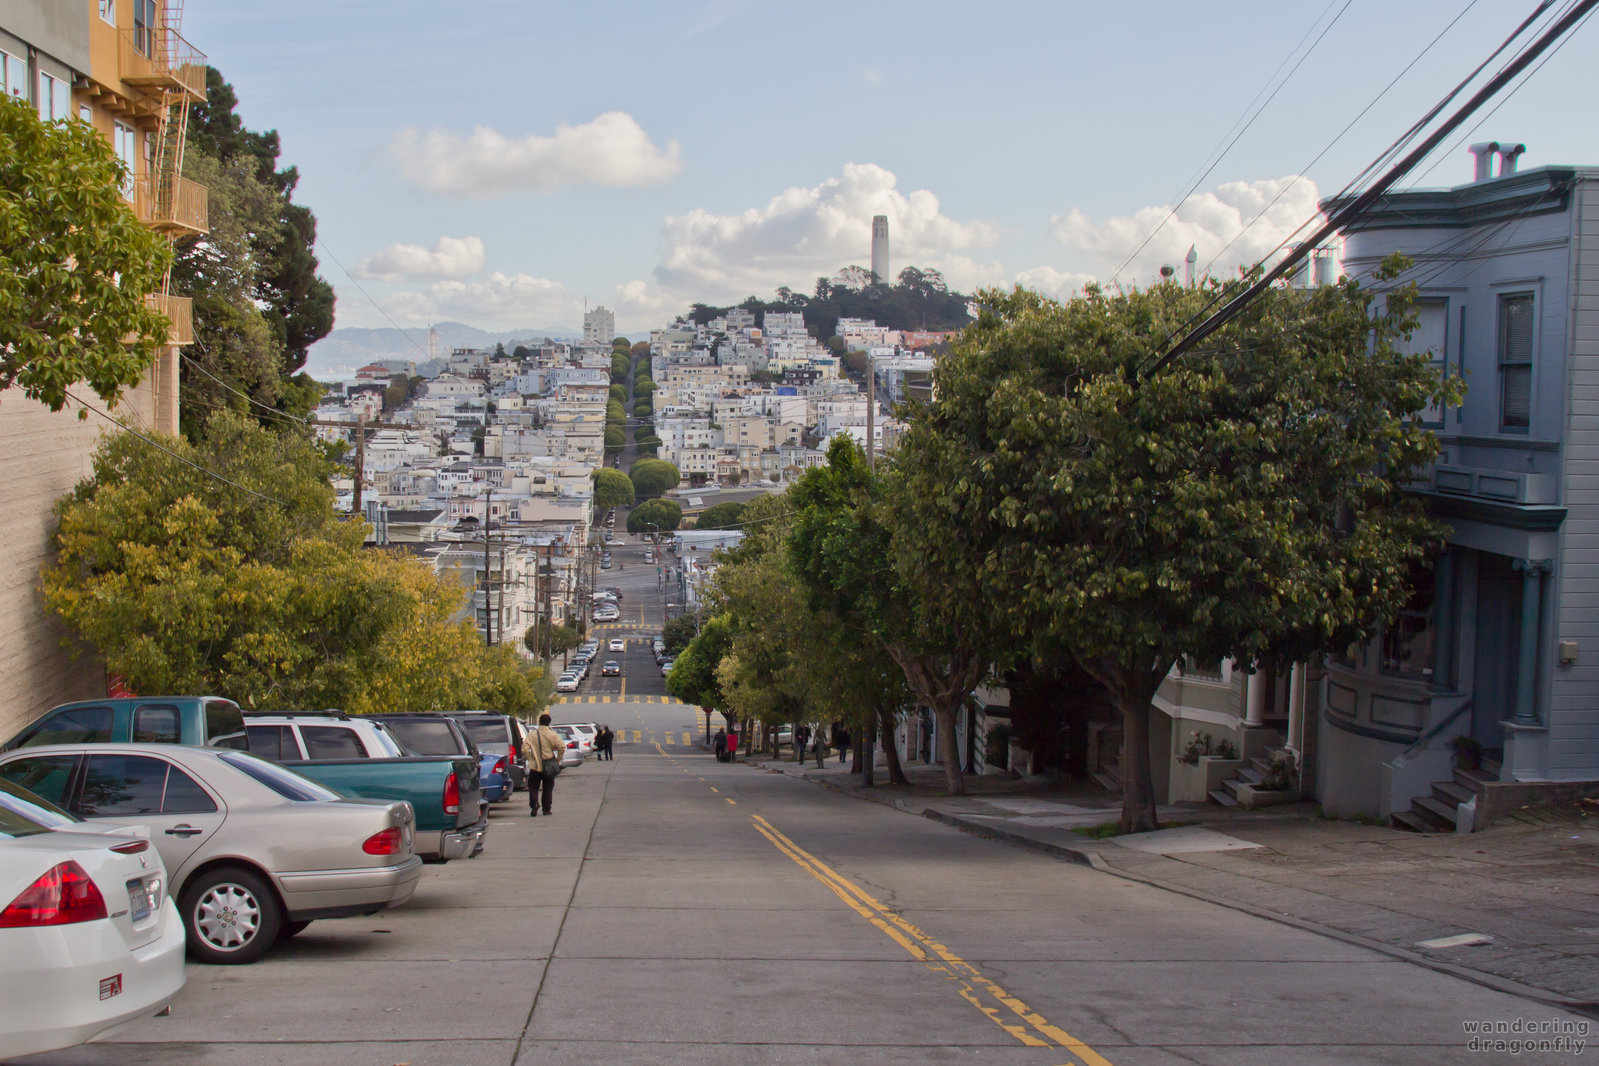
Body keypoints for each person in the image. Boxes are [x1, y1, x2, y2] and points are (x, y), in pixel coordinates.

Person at [523, 713, 565, 817]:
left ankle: (534, 804)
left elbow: (524, 749)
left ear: (539, 722)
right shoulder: (552, 734)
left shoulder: (532, 734)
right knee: (548, 788)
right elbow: (562, 747)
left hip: (535, 766)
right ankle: (546, 809)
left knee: (533, 787)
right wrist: (557, 759)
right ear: (549, 723)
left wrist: (530, 758)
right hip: (549, 765)